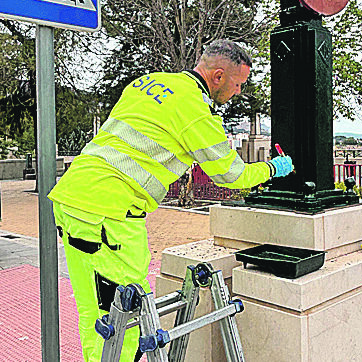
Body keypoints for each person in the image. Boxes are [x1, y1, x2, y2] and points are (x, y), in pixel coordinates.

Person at [48, 39, 294, 362]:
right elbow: (232, 175)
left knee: (94, 310)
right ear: (218, 76)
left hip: (71, 198)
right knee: (127, 315)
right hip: (110, 216)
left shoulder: (149, 82)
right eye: (237, 84)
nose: (237, 93)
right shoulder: (195, 110)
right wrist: (272, 168)